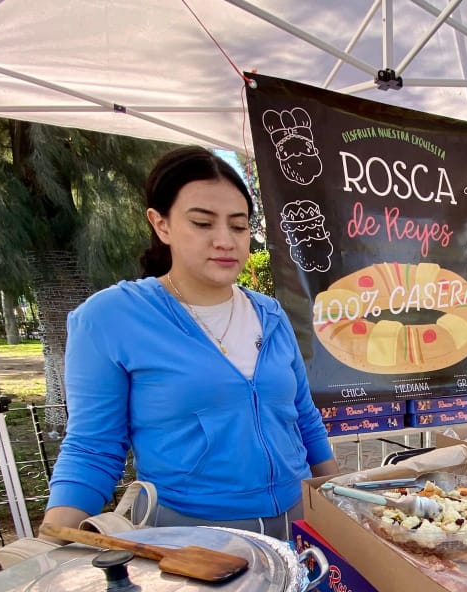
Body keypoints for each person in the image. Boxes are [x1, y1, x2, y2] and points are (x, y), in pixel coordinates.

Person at [41, 146, 337, 539]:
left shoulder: (271, 313)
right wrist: (51, 543)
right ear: (161, 224)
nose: (225, 241)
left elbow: (304, 418)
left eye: (238, 225)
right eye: (202, 223)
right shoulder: (111, 318)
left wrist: (336, 501)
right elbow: (92, 449)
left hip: (299, 520)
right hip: (190, 537)